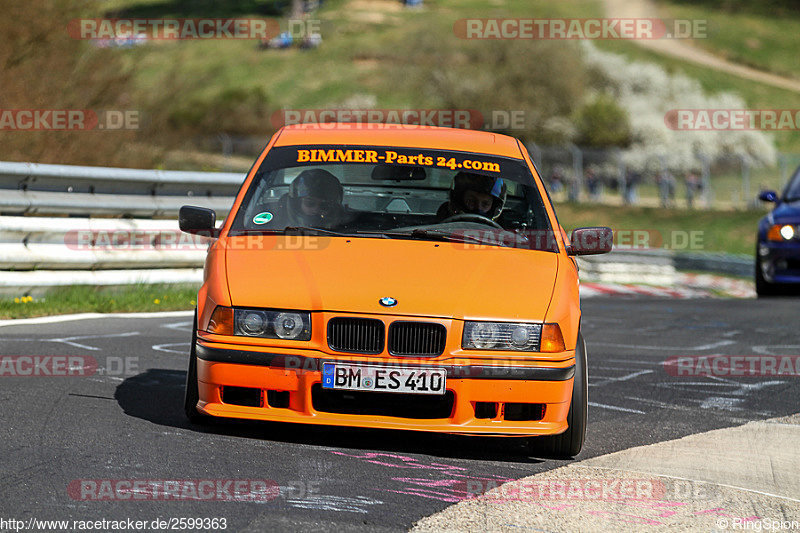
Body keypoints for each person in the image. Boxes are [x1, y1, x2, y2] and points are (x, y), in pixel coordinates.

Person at [438, 171, 507, 221]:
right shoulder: (439, 227)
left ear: (494, 207)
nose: (478, 207)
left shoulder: (503, 236)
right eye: (471, 201)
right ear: (459, 200)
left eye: (485, 204)